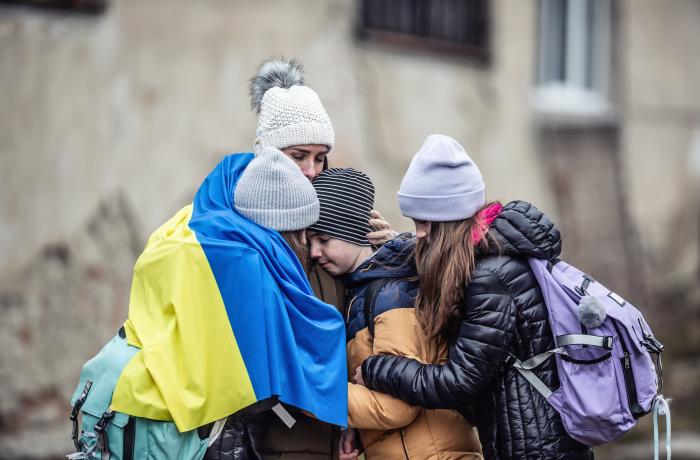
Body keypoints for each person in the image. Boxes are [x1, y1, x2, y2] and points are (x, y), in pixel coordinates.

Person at [355, 134, 594, 460]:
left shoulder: (492, 278)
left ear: (450, 218)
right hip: (531, 440)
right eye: (415, 222)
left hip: (536, 448)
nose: (420, 233)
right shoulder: (491, 257)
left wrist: (376, 370)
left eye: (425, 222)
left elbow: (460, 381)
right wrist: (400, 244)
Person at [246, 59, 394, 460]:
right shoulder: (249, 235)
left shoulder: (329, 220)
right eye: (298, 155)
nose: (311, 171)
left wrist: (391, 252)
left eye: (320, 157)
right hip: (279, 435)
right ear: (268, 154)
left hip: (332, 431)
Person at [307, 167, 483, 460]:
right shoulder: (361, 293)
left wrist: (306, 392)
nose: (314, 252)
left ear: (353, 232)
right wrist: (358, 432)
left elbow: (396, 407)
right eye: (310, 241)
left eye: (323, 239)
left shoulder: (390, 294)